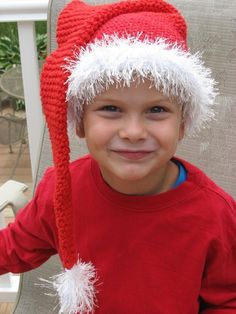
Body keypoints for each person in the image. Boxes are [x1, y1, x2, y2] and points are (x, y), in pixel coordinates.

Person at [1, 0, 236, 313]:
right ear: (80, 122)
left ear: (182, 124)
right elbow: (13, 248)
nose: (134, 131)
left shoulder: (216, 215)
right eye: (111, 109)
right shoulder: (62, 190)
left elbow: (228, 301)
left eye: (157, 110)